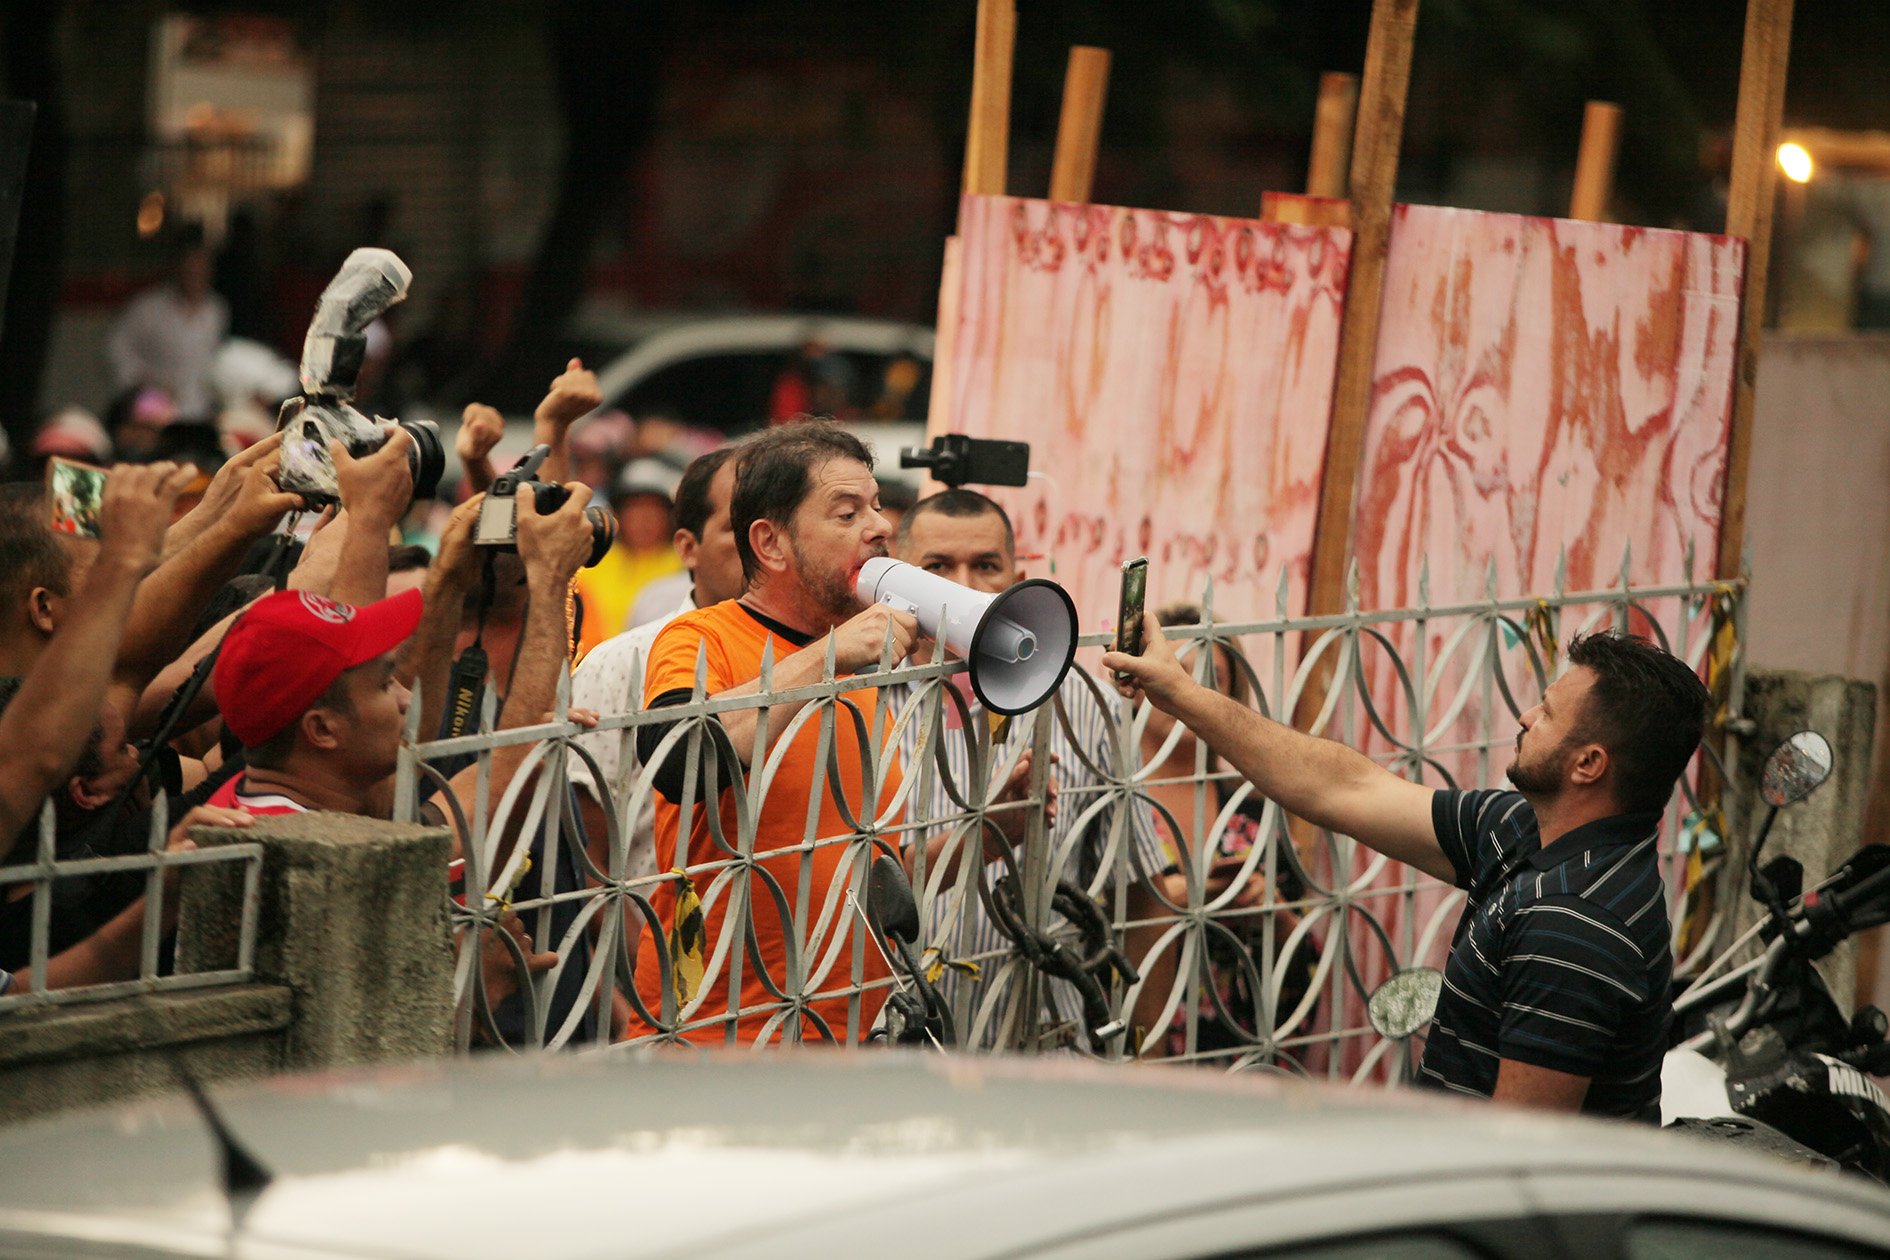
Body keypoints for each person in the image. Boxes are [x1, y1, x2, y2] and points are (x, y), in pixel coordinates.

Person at [1103, 623, 1711, 1118]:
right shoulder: (1529, 831)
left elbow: (1522, 1159)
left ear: (1588, 764)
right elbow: (1344, 787)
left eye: (1547, 713)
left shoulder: (1574, 923)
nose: (1525, 716)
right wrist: (1179, 691)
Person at [626, 420, 919, 1043]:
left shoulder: (862, 654)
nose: (880, 527)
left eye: (874, 506)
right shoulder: (700, 637)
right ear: (771, 544)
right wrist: (830, 655)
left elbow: (862, 853)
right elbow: (676, 758)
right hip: (721, 1033)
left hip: (848, 1030)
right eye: (846, 513)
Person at [888, 489, 1170, 1050]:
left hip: (1041, 1040)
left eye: (985, 565)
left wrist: (1144, 1053)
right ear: (901, 581)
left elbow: (1140, 895)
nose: (962, 584)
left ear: (1017, 577)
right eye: (937, 567)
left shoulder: (1085, 706)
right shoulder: (857, 707)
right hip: (897, 1046)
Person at [567, 447, 743, 898]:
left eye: (779, 524)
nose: (763, 542)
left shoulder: (842, 655)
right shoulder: (620, 662)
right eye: (737, 526)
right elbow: (589, 860)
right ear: (687, 546)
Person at [106, 223, 228, 424]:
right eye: (190, 265)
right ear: (178, 266)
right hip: (153, 415)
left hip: (201, 411)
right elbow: (115, 350)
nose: (195, 273)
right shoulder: (147, 307)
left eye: (201, 265)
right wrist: (145, 384)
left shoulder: (217, 309)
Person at [573, 457, 684, 656]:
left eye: (654, 509)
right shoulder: (592, 562)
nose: (644, 520)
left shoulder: (685, 564)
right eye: (634, 509)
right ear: (618, 514)